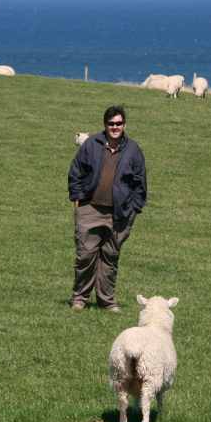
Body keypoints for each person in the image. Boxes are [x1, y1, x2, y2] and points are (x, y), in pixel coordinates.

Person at [67, 105, 147, 312]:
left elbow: (140, 184)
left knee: (110, 258)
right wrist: (78, 199)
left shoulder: (133, 150)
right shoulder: (91, 144)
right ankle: (79, 298)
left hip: (119, 215)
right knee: (85, 255)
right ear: (105, 125)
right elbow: (76, 171)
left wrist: (134, 210)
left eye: (119, 123)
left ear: (124, 125)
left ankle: (107, 301)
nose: (115, 127)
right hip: (90, 209)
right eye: (111, 124)